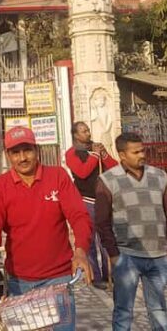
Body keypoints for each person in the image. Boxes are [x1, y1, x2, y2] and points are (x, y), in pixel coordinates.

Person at [0, 126, 93, 329]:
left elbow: (79, 216)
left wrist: (80, 251)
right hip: (20, 282)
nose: (22, 158)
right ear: (7, 155)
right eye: (15, 152)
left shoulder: (57, 176)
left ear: (37, 150)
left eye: (27, 150)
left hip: (59, 279)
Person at [95, 133, 167, 331]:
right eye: (136, 152)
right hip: (127, 256)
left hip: (159, 257)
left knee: (158, 310)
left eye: (143, 150)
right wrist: (114, 255)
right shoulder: (108, 180)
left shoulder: (160, 176)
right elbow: (102, 222)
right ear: (122, 155)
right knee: (123, 311)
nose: (142, 155)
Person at [65, 121, 118, 288]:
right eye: (83, 131)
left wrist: (104, 155)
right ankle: (95, 276)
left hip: (102, 199)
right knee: (90, 240)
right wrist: (94, 156)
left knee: (106, 238)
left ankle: (109, 274)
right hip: (85, 200)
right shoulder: (71, 153)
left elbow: (115, 168)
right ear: (76, 135)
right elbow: (82, 172)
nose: (88, 133)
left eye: (88, 130)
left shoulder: (96, 148)